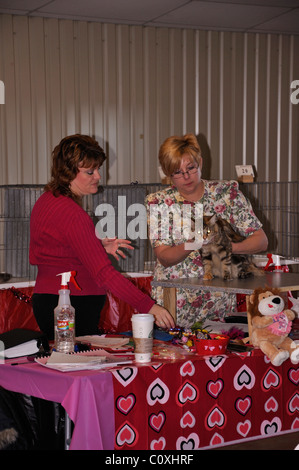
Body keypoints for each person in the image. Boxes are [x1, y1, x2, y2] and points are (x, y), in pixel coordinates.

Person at [29, 134, 175, 340]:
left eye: (98, 169)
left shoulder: (46, 200)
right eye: (90, 171)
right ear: (68, 172)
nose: (98, 176)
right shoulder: (72, 213)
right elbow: (104, 274)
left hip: (50, 299)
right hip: (72, 305)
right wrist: (149, 306)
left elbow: (55, 250)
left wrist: (94, 246)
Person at [145, 133, 268, 328]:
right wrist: (195, 243)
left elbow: (261, 241)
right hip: (173, 304)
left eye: (191, 168)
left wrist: (227, 248)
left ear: (200, 163)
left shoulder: (226, 193)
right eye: (177, 172)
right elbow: (165, 258)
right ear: (167, 173)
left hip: (218, 301)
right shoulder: (159, 202)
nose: (186, 176)